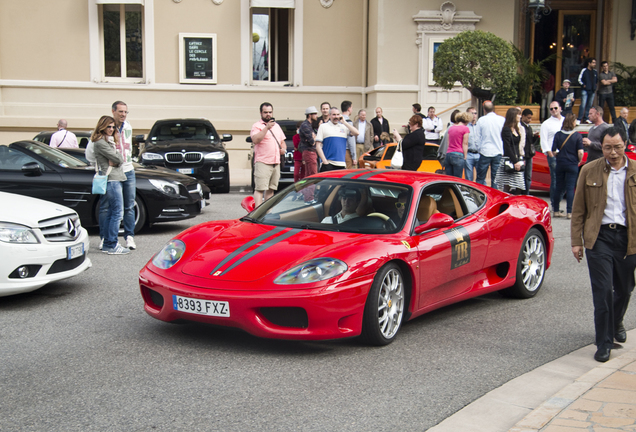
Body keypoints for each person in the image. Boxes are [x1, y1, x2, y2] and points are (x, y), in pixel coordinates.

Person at [571, 126, 636, 363]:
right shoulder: (589, 170)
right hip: (599, 239)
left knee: (625, 288)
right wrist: (577, 241)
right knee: (602, 290)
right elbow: (578, 209)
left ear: (626, 145)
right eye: (607, 147)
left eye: (617, 147)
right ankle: (604, 342)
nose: (613, 152)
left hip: (629, 239)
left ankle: (617, 320)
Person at [92, 116, 129, 255]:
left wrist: (116, 159)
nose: (111, 129)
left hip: (114, 178)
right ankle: (112, 244)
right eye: (109, 127)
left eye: (113, 127)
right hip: (112, 180)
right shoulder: (101, 143)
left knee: (111, 213)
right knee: (117, 213)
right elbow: (119, 159)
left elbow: (118, 160)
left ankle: (108, 243)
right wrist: (116, 159)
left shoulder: (108, 142)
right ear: (102, 126)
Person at [250, 102, 287, 206]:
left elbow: (282, 141)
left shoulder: (277, 126)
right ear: (261, 113)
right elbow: (256, 140)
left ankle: (267, 212)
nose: (268, 114)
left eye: (270, 112)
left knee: (271, 189)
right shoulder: (257, 126)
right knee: (260, 188)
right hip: (263, 162)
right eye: (265, 112)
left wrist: (283, 149)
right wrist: (266, 128)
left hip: (275, 162)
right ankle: (257, 211)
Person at [111, 101, 136, 251]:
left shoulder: (128, 126)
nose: (123, 114)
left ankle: (129, 237)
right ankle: (107, 238)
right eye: (120, 111)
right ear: (113, 111)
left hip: (128, 169)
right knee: (112, 206)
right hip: (114, 170)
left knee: (129, 205)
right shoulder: (108, 127)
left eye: (125, 112)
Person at [549, 113, 584, 218]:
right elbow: (580, 152)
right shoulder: (577, 135)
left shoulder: (558, 134)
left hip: (560, 163)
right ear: (573, 122)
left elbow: (553, 150)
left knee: (558, 187)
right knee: (570, 188)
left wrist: (558, 156)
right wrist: (579, 160)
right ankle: (569, 212)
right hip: (572, 163)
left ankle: (555, 210)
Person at [315, 107, 358, 172]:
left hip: (341, 163)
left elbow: (356, 133)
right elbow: (318, 146)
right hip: (328, 162)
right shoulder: (323, 126)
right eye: (334, 114)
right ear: (329, 115)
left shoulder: (343, 127)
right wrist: (324, 161)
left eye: (338, 114)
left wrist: (344, 122)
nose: (336, 116)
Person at [540, 101, 565, 213]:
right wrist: (549, 153)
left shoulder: (565, 121)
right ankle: (555, 205)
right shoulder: (546, 123)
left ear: (560, 108)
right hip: (553, 154)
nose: (554, 110)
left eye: (555, 108)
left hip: (565, 154)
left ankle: (558, 203)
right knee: (555, 179)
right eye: (551, 109)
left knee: (564, 180)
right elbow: (543, 140)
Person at [475, 101, 505, 189]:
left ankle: (479, 195)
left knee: (480, 178)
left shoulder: (481, 120)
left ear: (484, 110)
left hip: (485, 151)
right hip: (498, 151)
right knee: (496, 179)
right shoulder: (502, 120)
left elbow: (477, 138)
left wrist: (480, 149)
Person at [496, 108, 525, 193]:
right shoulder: (506, 129)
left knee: (519, 185)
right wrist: (515, 161)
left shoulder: (516, 128)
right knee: (507, 184)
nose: (520, 116)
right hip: (510, 159)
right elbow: (507, 146)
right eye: (518, 114)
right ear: (513, 116)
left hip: (516, 158)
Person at [444, 112, 470, 178]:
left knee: (449, 178)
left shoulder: (451, 128)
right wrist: (465, 156)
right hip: (458, 154)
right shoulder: (465, 128)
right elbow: (465, 143)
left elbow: (448, 142)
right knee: (458, 179)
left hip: (449, 154)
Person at [519, 108, 536, 194]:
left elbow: (530, 140)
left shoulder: (529, 127)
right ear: (523, 116)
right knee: (523, 175)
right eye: (528, 118)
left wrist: (535, 137)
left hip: (529, 154)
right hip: (524, 154)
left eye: (531, 118)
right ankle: (524, 192)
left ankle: (527, 192)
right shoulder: (521, 126)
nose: (530, 120)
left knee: (528, 176)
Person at [578, 58, 598, 124]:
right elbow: (579, 79)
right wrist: (583, 85)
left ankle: (586, 118)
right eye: (593, 62)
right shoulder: (584, 70)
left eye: (595, 63)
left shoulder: (595, 72)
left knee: (589, 105)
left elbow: (597, 80)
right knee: (583, 105)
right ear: (589, 63)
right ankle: (579, 118)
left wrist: (595, 86)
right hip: (585, 90)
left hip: (592, 91)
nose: (594, 64)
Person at [465, 107, 480, 182]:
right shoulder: (465, 126)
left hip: (479, 153)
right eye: (472, 113)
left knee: (480, 177)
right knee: (468, 178)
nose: (474, 115)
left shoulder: (480, 126)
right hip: (468, 153)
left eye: (475, 113)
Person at [341, 100, 357, 169]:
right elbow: (351, 141)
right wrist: (354, 157)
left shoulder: (337, 120)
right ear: (349, 109)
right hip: (347, 151)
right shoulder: (348, 123)